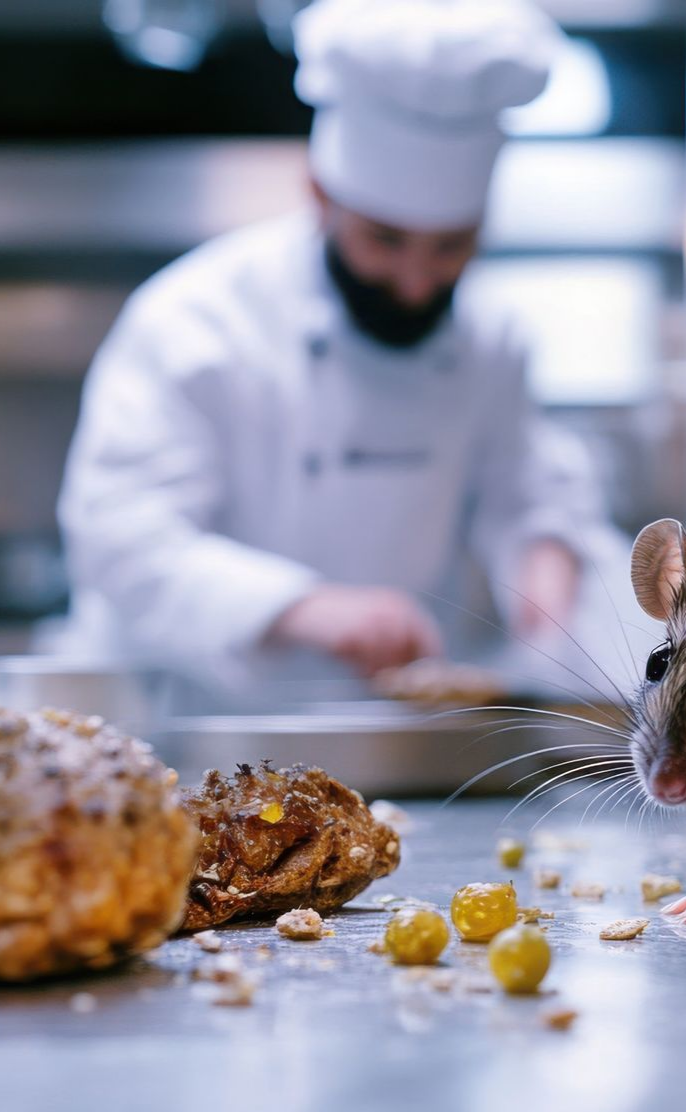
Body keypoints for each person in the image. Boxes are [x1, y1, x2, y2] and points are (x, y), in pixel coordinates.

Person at [54, 0, 629, 700]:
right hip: (195, 719)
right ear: (320, 196)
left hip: (395, 729)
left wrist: (547, 590)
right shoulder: (196, 320)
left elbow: (532, 500)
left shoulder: (491, 338)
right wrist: (306, 607)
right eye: (385, 240)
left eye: (451, 246)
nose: (416, 282)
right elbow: (119, 536)